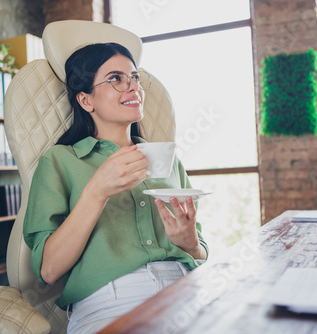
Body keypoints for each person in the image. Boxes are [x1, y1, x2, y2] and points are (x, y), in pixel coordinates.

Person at [23, 42, 208, 333]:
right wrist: (97, 191)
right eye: (116, 79)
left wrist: (190, 242)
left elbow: (201, 252)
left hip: (187, 290)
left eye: (134, 77)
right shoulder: (61, 160)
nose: (133, 86)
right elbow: (49, 270)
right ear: (86, 100)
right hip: (111, 302)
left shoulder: (168, 161)